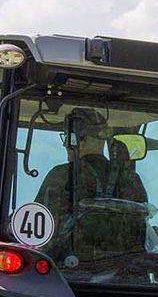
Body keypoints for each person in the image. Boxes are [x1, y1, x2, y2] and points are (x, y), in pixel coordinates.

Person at [37, 110, 149, 260]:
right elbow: (142, 230)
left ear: (77, 141)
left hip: (69, 273)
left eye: (67, 139)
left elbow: (40, 230)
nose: (65, 145)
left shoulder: (61, 176)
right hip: (127, 276)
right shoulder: (131, 180)